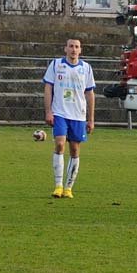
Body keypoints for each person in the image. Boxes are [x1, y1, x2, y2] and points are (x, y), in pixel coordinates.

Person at [43, 38, 96, 199]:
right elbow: (48, 88)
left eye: (77, 47)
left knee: (74, 150)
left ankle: (68, 187)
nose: (74, 49)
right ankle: (58, 185)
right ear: (65, 49)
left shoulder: (86, 68)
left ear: (80, 50)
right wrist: (48, 111)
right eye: (71, 46)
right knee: (59, 144)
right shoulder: (56, 65)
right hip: (60, 112)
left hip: (78, 115)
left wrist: (91, 119)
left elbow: (90, 94)